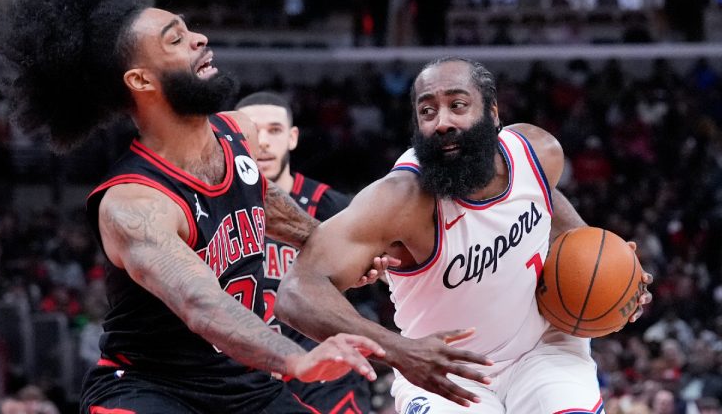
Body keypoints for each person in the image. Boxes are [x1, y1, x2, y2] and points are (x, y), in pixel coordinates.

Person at [0, 0, 389, 413]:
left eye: (189, 30)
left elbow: (261, 200)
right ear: (140, 79)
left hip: (243, 383)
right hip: (151, 387)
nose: (199, 38)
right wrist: (296, 358)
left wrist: (334, 246)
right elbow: (201, 303)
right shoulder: (132, 203)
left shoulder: (238, 134)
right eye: (175, 39)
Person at [276, 57, 654, 412]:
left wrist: (613, 270)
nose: (442, 122)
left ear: (492, 114)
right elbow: (296, 292)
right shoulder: (399, 198)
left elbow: (545, 199)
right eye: (427, 111)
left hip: (545, 350)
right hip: (442, 371)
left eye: (458, 105)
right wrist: (398, 350)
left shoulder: (539, 153)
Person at [236, 91, 374, 413]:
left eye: (274, 130)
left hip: (326, 375)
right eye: (253, 133)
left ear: (293, 137)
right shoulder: (212, 206)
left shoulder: (331, 205)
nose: (264, 143)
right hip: (246, 374)